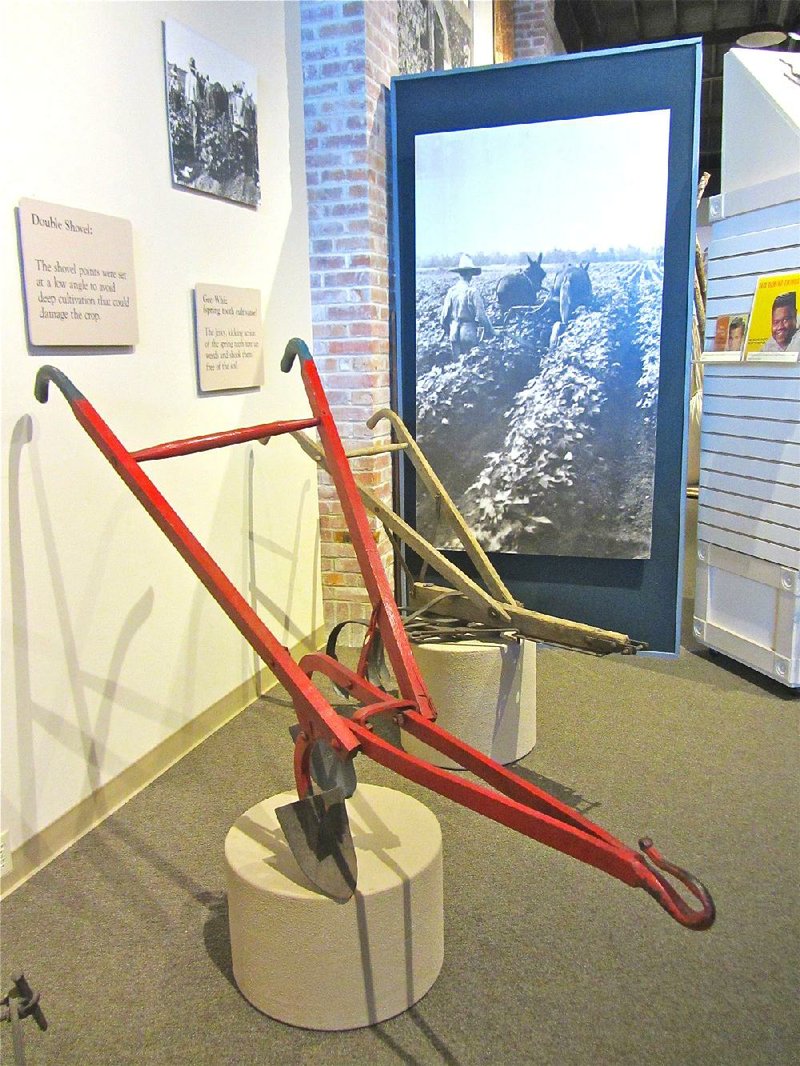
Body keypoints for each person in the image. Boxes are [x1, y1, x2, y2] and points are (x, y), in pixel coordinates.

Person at [440, 253, 495, 358]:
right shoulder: (472, 292)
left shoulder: (451, 291)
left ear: (460, 273)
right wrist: (491, 331)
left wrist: (449, 330)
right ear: (470, 273)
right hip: (468, 332)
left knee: (457, 366)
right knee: (469, 366)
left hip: (454, 332)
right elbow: (481, 316)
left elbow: (443, 318)